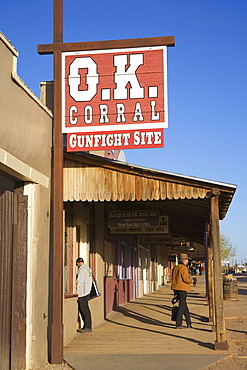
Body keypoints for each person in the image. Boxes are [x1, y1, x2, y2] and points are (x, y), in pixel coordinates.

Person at [171, 253, 193, 329]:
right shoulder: (184, 268)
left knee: (184, 306)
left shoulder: (175, 268)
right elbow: (185, 279)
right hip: (182, 288)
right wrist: (192, 281)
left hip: (176, 288)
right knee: (181, 306)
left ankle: (189, 323)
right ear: (183, 261)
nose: (187, 261)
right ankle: (178, 323)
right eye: (186, 260)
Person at [76, 257, 93, 333]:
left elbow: (80, 282)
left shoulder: (82, 270)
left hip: (82, 293)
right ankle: (87, 326)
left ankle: (87, 327)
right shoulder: (88, 269)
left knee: (84, 310)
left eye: (77, 265)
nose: (77, 266)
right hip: (87, 291)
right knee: (86, 310)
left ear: (79, 263)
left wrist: (77, 293)